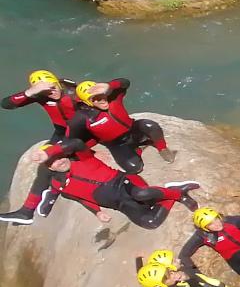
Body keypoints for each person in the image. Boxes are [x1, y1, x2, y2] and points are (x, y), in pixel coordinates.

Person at [0, 70, 92, 225]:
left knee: (50, 164)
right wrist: (30, 92)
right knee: (45, 161)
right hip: (60, 131)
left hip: (81, 132)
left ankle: (34, 206)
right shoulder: (40, 95)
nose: (51, 93)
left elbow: (97, 108)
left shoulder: (72, 92)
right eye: (46, 91)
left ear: (57, 83)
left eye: (53, 88)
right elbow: (6, 104)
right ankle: (28, 211)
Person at [33, 146, 199, 229]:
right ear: (48, 168)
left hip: (124, 183)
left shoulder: (82, 159)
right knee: (150, 222)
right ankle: (169, 195)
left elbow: (75, 144)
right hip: (119, 203)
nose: (59, 161)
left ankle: (178, 193)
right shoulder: (58, 185)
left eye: (59, 157)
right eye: (52, 162)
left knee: (141, 194)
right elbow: (81, 198)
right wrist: (97, 212)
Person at [45, 78, 175, 175]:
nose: (101, 100)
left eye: (101, 96)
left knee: (150, 125)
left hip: (133, 130)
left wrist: (109, 86)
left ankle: (162, 149)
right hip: (117, 144)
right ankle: (138, 149)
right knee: (135, 168)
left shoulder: (114, 97)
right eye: (94, 99)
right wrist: (88, 153)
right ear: (87, 103)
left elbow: (125, 82)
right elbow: (70, 139)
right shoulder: (82, 117)